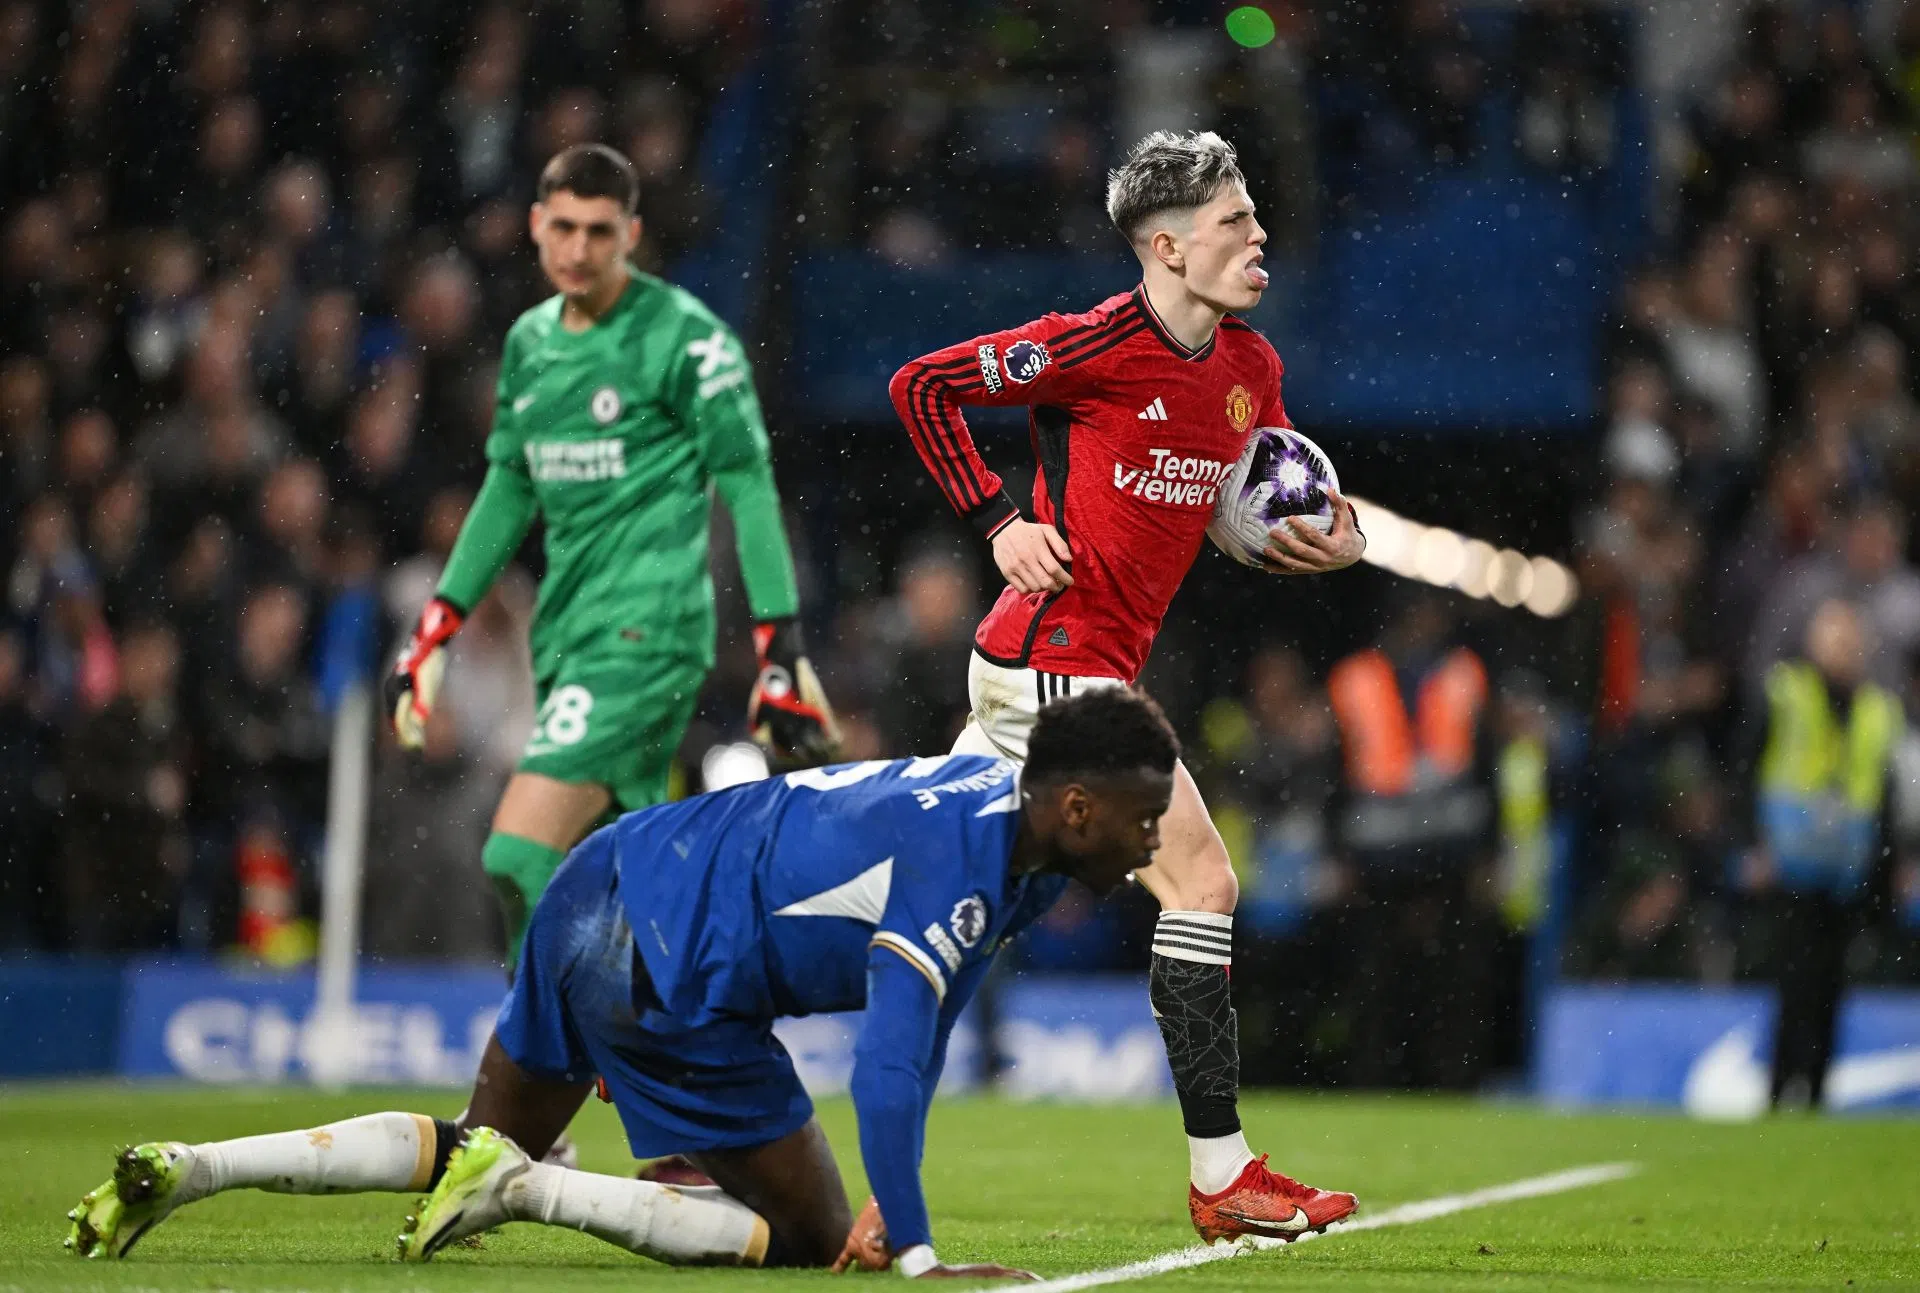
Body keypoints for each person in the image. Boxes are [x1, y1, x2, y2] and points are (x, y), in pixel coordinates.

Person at [63, 691, 1357, 1275]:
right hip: (668, 969)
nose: (1154, 846)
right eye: (1141, 822)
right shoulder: (970, 866)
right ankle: (538, 1187)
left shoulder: (1001, 817)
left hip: (600, 881)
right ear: (1075, 804)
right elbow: (898, 1060)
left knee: (472, 1135)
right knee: (805, 1243)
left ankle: (194, 1167)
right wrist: (908, 1251)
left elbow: (935, 1007)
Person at [886, 129, 1363, 1240]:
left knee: (939, 916)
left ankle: (686, 1017)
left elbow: (1274, 502)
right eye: (1233, 222)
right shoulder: (1092, 344)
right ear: (1165, 243)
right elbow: (923, 388)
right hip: (1051, 669)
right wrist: (998, 523)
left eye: (1254, 215)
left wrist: (1331, 539)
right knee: (1201, 886)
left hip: (1069, 675)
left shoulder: (1251, 369)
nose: (1259, 235)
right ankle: (1221, 1175)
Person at [383, 143, 836, 967]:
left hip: (647, 635)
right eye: (563, 227)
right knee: (601, 880)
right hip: (561, 639)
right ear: (534, 226)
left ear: (630, 232)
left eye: (599, 231)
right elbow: (509, 488)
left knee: (516, 856)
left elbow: (749, 484)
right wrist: (431, 633)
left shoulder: (690, 344)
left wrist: (780, 645)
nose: (579, 249)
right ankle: (652, 1034)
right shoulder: (530, 344)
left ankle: (551, 1052)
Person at [1738, 599, 1904, 1109]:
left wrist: (1887, 866)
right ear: (1813, 642)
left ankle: (1815, 1090)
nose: (1842, 650)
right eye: (1833, 639)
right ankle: (1778, 1085)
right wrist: (1752, 844)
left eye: (1851, 641)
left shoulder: (1879, 711)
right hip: (1790, 865)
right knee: (1792, 978)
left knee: (1832, 984)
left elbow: (1885, 797)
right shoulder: (1787, 693)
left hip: (1845, 871)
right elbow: (1746, 769)